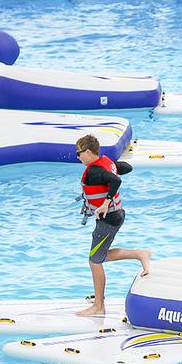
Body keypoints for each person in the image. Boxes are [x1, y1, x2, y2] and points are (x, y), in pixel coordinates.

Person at [74, 134, 150, 317]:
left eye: (79, 153)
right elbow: (127, 168)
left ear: (89, 152)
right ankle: (140, 254)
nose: (78, 157)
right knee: (100, 256)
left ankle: (99, 306)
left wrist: (106, 202)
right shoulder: (105, 163)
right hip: (116, 215)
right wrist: (114, 167)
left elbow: (116, 180)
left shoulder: (94, 171)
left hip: (109, 219)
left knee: (95, 261)